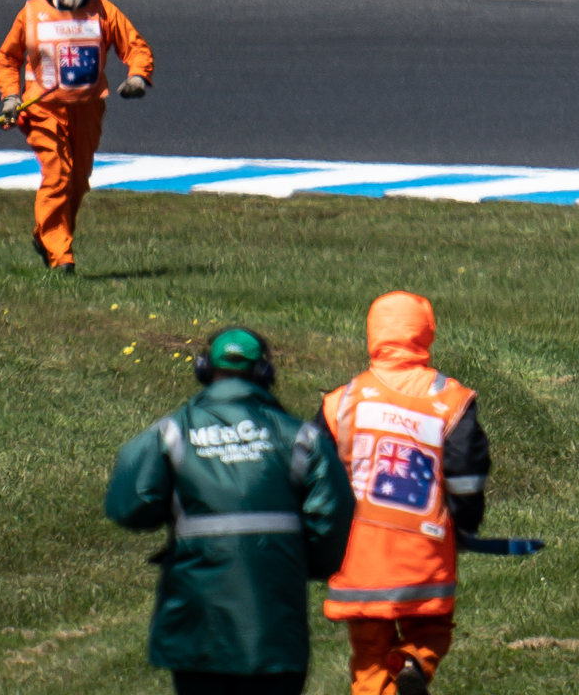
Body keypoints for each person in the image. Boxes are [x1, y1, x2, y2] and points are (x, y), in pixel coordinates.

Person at [106, 326, 352, 695]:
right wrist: (309, 563)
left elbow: (128, 504)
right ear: (265, 372)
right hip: (274, 617)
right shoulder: (301, 438)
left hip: (197, 622)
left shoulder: (173, 432)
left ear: (204, 369)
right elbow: (332, 517)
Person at [319, 293, 494, 695]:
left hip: (358, 559)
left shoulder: (342, 401)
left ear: (372, 335)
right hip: (423, 556)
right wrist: (465, 523)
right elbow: (467, 475)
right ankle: (413, 661)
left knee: (368, 655)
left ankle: (381, 685)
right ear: (426, 333)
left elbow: (309, 470)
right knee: (432, 628)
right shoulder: (450, 400)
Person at [0, 0, 154, 273]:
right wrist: (11, 98)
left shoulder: (103, 11)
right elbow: (7, 59)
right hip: (43, 111)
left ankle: (47, 235)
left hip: (88, 110)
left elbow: (135, 46)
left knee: (78, 182)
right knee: (57, 177)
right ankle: (60, 256)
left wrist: (138, 76)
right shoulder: (31, 13)